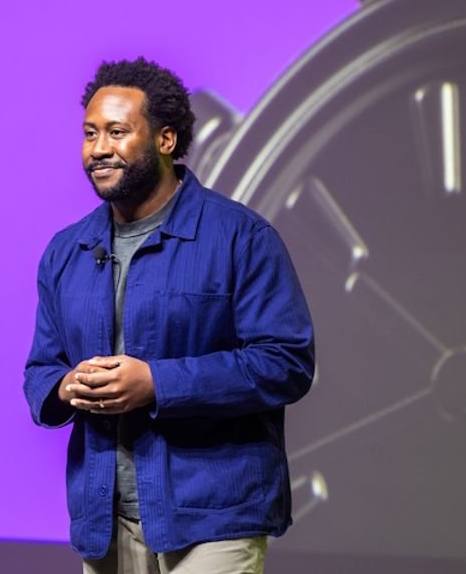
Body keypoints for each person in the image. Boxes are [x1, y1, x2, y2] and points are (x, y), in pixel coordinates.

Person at [23, 57, 315, 574]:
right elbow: (40, 370)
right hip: (104, 522)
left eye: (117, 132)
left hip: (215, 517)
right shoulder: (66, 251)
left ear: (166, 140)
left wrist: (156, 383)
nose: (99, 149)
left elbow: (285, 362)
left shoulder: (241, 237)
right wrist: (67, 386)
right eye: (90, 133)